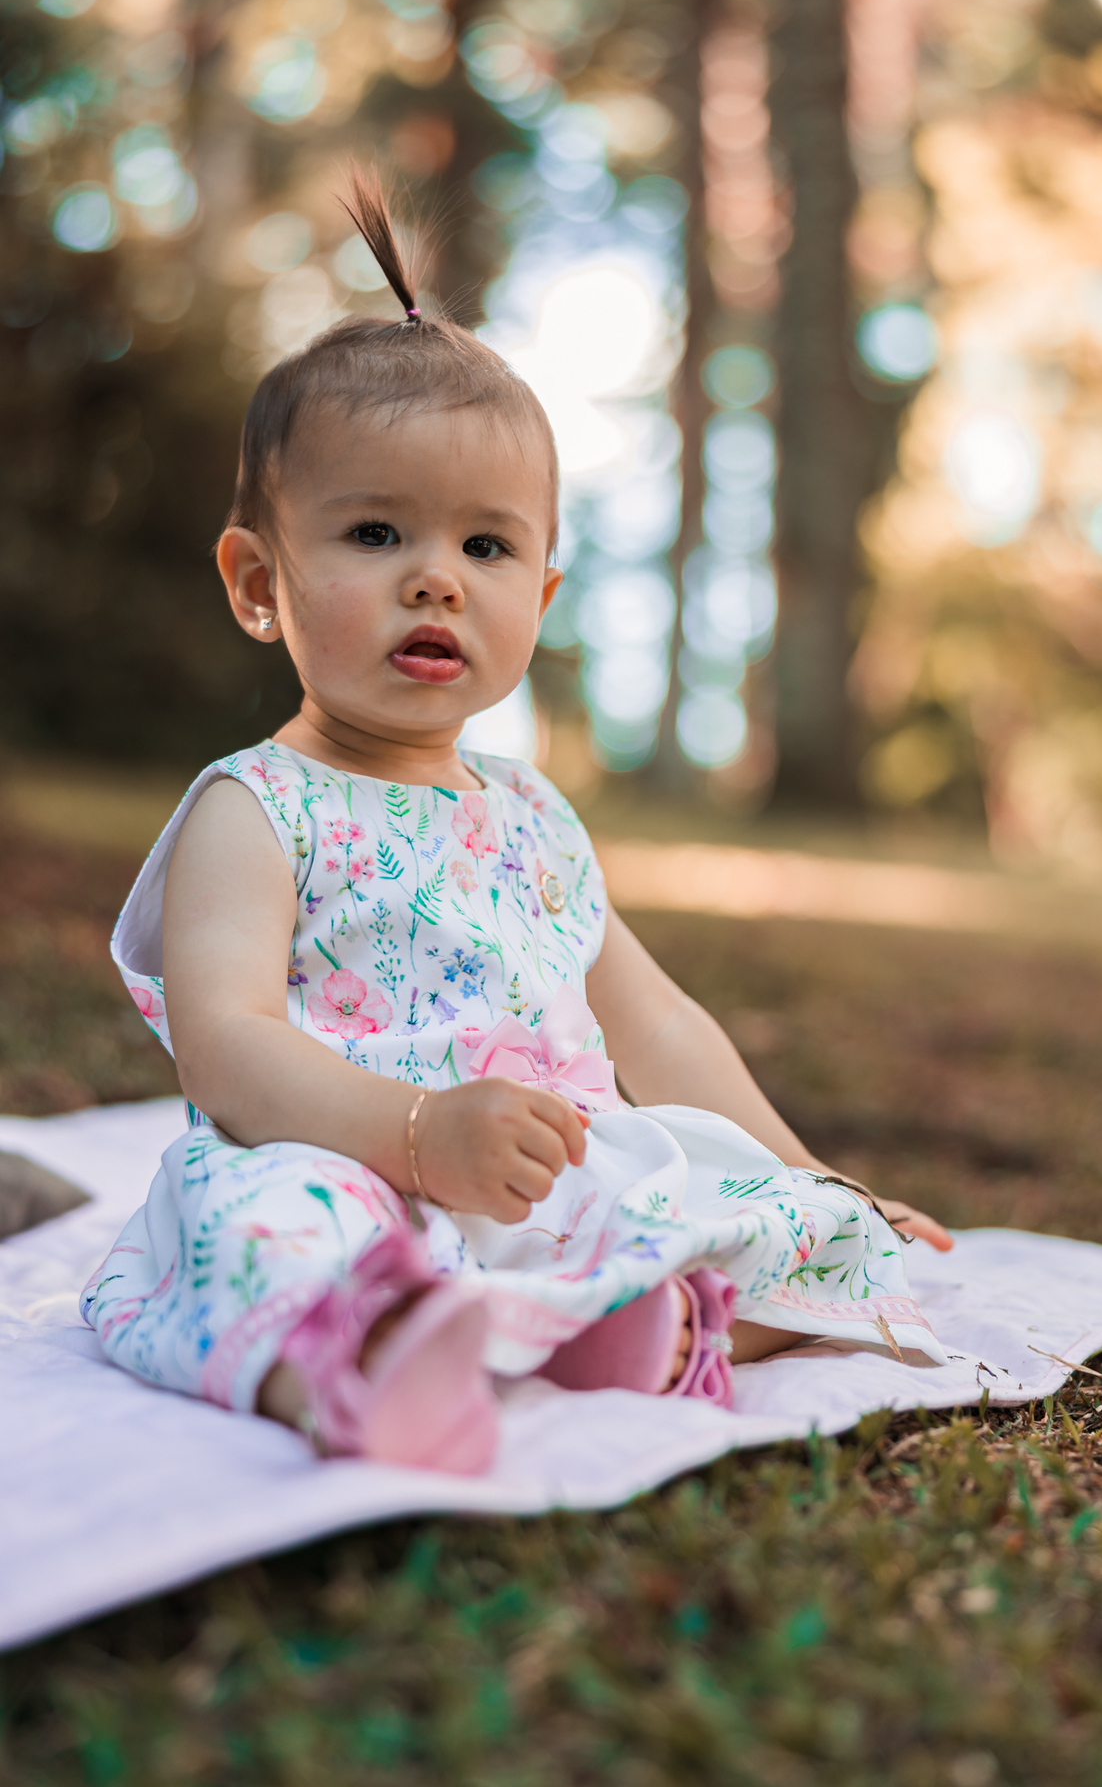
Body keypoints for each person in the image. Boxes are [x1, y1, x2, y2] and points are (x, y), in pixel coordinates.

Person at [80, 173, 953, 1476]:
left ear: (540, 594)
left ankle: (645, 1324)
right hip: (354, 1174)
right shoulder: (256, 810)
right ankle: (361, 1365)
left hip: (559, 1181)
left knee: (817, 1227)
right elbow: (226, 1049)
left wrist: (814, 1173)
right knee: (255, 1237)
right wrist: (422, 1137)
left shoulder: (535, 818)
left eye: (487, 549)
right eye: (377, 532)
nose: (437, 575)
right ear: (259, 582)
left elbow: (658, 1027)